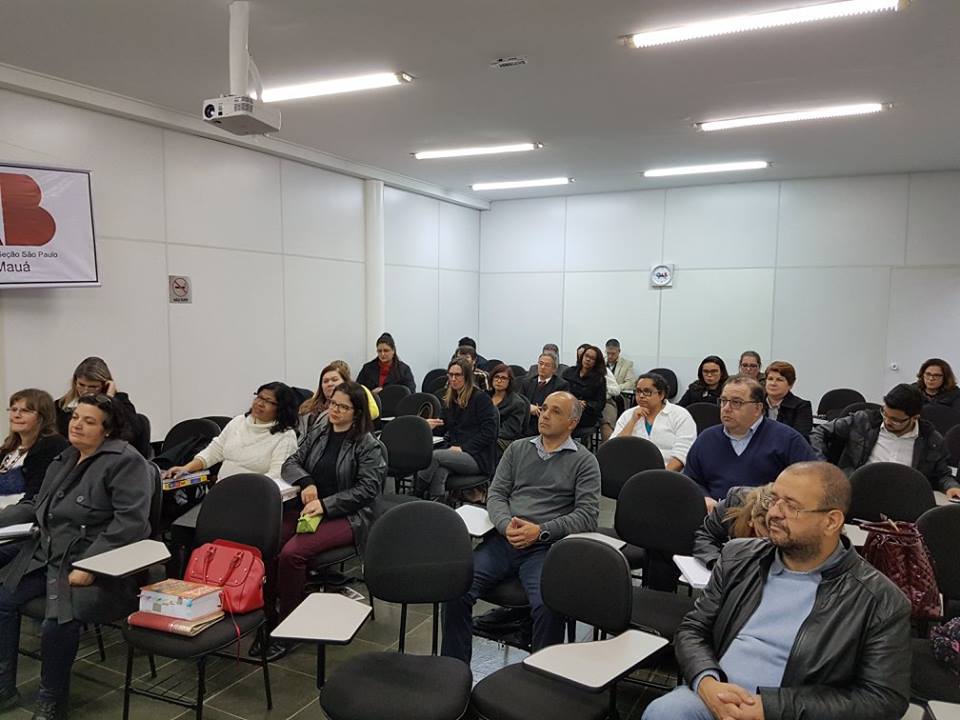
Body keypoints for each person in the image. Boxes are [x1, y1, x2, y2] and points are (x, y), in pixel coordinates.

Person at [642, 462, 911, 720]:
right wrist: (706, 682)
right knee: (665, 712)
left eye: (791, 506)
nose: (774, 513)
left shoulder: (879, 600)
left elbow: (882, 699)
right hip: (716, 697)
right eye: (774, 500)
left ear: (831, 521)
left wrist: (770, 709)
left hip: (794, 712)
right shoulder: (738, 557)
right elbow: (693, 629)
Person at [0, 394, 153, 719]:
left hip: (99, 567)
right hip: (49, 555)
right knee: (2, 598)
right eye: (75, 418)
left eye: (89, 421)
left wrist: (90, 565)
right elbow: (38, 505)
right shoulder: (66, 457)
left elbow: (131, 524)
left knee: (57, 622)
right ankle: (3, 687)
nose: (78, 425)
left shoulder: (126, 462)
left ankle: (51, 702)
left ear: (107, 430)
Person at [441, 391, 601, 662]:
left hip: (545, 547)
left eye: (556, 411)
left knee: (549, 606)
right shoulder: (518, 449)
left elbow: (587, 516)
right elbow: (496, 494)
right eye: (544, 408)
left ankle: (540, 675)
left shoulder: (584, 461)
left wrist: (540, 531)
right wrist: (506, 526)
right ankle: (453, 668)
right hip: (504, 540)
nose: (545, 415)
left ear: (572, 423)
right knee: (456, 588)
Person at [264, 382, 387, 660]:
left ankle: (290, 628)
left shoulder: (368, 444)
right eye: (333, 403)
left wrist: (325, 505)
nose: (335, 410)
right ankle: (268, 615)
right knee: (269, 542)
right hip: (310, 509)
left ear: (357, 413)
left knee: (292, 554)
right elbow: (291, 462)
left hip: (349, 515)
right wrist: (307, 481)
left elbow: (367, 490)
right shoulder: (320, 430)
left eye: (343, 407)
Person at [683, 376, 818, 505]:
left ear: (757, 408)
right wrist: (704, 498)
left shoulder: (787, 439)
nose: (726, 408)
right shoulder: (707, 438)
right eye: (723, 401)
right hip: (714, 515)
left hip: (766, 515)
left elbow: (811, 482)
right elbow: (691, 480)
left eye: (736, 402)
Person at [810, 383, 960, 497]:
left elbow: (942, 475)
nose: (887, 421)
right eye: (885, 414)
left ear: (914, 418)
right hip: (856, 491)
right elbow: (819, 432)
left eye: (896, 420)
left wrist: (951, 487)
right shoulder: (863, 421)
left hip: (903, 497)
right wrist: (822, 465)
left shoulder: (931, 440)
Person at [163, 382, 299, 483]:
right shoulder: (239, 421)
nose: (259, 403)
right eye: (259, 397)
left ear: (282, 408)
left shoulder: (285, 436)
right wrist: (186, 468)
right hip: (222, 490)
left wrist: (242, 488)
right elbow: (214, 451)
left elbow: (277, 475)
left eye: (268, 401)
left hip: (255, 496)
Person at [418, 358, 499, 501]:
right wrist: (430, 426)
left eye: (457, 375)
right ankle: (437, 505)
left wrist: (463, 448)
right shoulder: (451, 398)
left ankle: (416, 493)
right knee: (441, 472)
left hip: (477, 456)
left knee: (434, 456)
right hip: (455, 451)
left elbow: (489, 433)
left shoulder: (481, 399)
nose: (453, 379)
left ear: (467, 377)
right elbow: (443, 428)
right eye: (450, 375)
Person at [54, 357, 148, 457]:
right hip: (70, 458)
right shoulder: (60, 406)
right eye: (81, 385)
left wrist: (108, 401)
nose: (85, 391)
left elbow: (128, 436)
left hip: (109, 458)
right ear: (75, 382)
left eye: (93, 387)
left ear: (105, 385)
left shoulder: (122, 404)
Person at [612, 373, 697, 471]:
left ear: (661, 395)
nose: (641, 396)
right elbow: (614, 448)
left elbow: (682, 455)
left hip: (668, 473)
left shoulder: (680, 415)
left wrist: (659, 476)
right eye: (638, 391)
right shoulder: (629, 414)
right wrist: (632, 421)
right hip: (630, 472)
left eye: (647, 392)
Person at [0, 390, 69, 505]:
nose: (16, 415)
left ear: (43, 416)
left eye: (25, 411)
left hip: (22, 513)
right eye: (13, 409)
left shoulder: (53, 445)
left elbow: (37, 495)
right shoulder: (9, 447)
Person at [692, 484, 773, 569]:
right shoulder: (734, 503)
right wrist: (718, 565)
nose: (769, 537)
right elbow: (705, 536)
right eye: (760, 534)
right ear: (752, 519)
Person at [561, 345, 607, 438]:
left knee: (566, 421)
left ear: (596, 362)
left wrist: (585, 404)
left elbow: (600, 404)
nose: (588, 359)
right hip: (566, 407)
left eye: (592, 358)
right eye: (586, 356)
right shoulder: (569, 372)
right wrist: (572, 401)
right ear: (582, 356)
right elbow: (560, 391)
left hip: (586, 413)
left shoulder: (599, 379)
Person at [763, 361, 814, 440]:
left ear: (790, 384)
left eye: (779, 380)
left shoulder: (802, 407)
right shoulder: (755, 403)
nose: (773, 383)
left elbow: (799, 439)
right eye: (770, 379)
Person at [297, 361, 351, 436]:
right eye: (325, 381)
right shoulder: (306, 407)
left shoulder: (351, 409)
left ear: (345, 382)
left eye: (334, 380)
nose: (330, 384)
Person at [520, 352, 568, 433]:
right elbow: (518, 402)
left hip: (548, 425)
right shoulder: (527, 382)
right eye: (541, 363)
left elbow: (559, 408)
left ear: (554, 369)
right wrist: (529, 407)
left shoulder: (561, 385)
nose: (542, 367)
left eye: (547, 365)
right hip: (526, 424)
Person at [488, 365, 529, 456]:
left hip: (503, 440)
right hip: (483, 435)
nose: (499, 381)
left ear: (509, 381)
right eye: (496, 377)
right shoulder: (484, 397)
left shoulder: (517, 403)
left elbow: (509, 431)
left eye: (503, 378)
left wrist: (485, 434)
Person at [601, 339, 636, 441]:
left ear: (619, 351)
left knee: (607, 416)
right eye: (608, 353)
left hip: (619, 397)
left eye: (613, 353)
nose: (610, 356)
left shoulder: (627, 364)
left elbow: (631, 383)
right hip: (603, 397)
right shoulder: (600, 363)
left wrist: (616, 388)